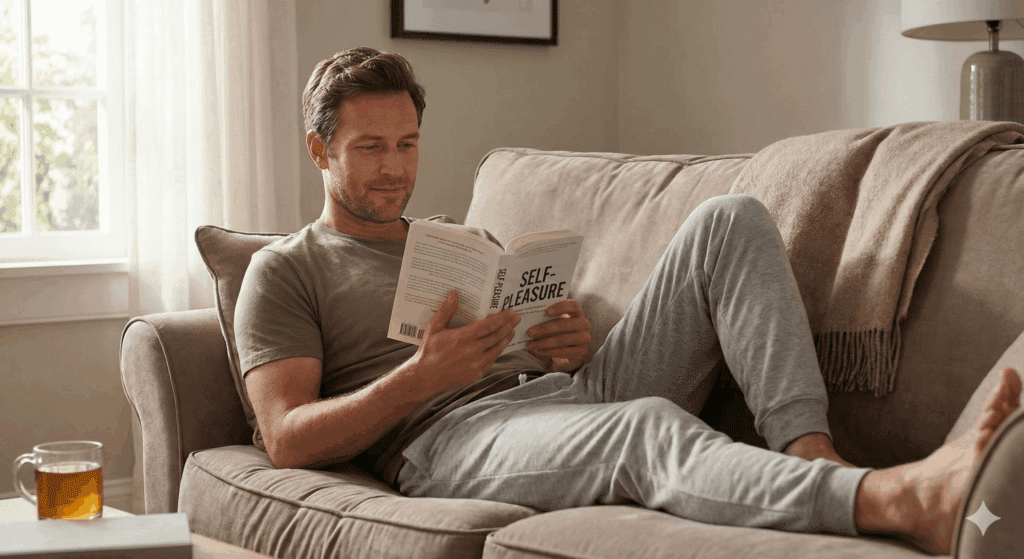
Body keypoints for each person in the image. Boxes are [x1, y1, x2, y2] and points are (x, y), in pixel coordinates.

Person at [235, 47, 1022, 556]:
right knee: (643, 428)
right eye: (369, 148)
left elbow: (549, 340)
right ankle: (900, 496)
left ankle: (807, 449)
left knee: (730, 219)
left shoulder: (449, 242)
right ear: (319, 150)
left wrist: (564, 339)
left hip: (564, 393)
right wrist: (421, 377)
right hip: (449, 438)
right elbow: (286, 437)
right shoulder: (286, 270)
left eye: (407, 144)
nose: (394, 169)